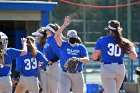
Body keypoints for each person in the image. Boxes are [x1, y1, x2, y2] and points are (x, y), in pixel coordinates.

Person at [92, 20, 138, 93]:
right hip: (120, 68)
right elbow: (134, 56)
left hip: (107, 68)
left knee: (110, 91)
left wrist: (100, 59)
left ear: (109, 30)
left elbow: (94, 57)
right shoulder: (124, 41)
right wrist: (132, 47)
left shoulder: (102, 40)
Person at [54, 16, 89, 93]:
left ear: (76, 37)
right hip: (65, 73)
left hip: (77, 73)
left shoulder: (81, 47)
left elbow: (87, 59)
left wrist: (78, 59)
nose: (72, 37)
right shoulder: (63, 44)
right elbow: (56, 36)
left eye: (74, 35)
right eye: (70, 35)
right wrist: (64, 25)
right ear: (68, 37)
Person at [41, 23, 61, 93]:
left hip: (53, 66)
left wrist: (50, 61)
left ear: (50, 31)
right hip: (48, 67)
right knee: (47, 89)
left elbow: (59, 55)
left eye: (47, 29)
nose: (45, 31)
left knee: (53, 89)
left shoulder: (53, 41)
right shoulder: (48, 40)